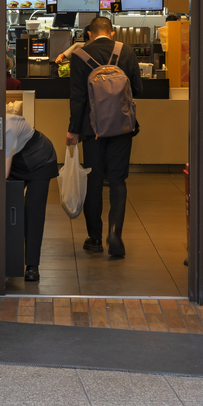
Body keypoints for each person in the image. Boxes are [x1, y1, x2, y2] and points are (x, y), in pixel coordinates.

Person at [66, 16, 143, 259]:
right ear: (112, 32)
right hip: (122, 127)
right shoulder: (127, 51)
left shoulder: (79, 55)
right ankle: (115, 233)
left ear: (89, 33)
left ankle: (95, 238)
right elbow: (139, 90)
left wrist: (73, 130)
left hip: (92, 130)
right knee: (118, 181)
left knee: (94, 181)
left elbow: (77, 98)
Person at [1, 112, 59, 282]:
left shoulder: (7, 128)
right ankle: (7, 261)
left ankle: (32, 265)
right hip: (17, 162)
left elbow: (3, 173)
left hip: (40, 159)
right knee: (9, 208)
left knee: (32, 210)